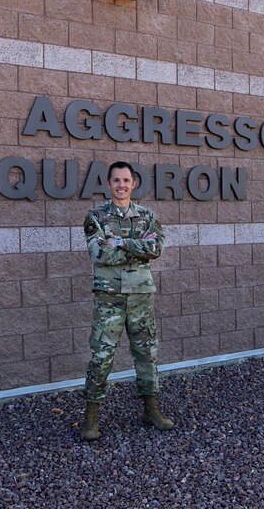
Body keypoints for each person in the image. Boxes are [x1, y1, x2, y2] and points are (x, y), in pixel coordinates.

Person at [80, 161, 175, 441]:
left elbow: (156, 248)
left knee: (147, 353)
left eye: (126, 180)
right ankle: (91, 416)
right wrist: (138, 247)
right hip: (108, 298)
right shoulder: (95, 215)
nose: (121, 185)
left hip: (140, 297)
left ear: (133, 183)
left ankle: (151, 409)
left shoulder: (147, 215)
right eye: (116, 180)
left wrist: (120, 243)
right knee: (101, 356)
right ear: (108, 184)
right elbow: (99, 254)